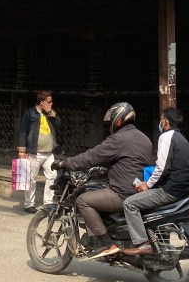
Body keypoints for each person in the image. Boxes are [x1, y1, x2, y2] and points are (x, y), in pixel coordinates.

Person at [58, 102, 152, 259]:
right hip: (138, 190)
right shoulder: (144, 138)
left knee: (83, 201)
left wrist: (65, 163)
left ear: (118, 119)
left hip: (123, 192)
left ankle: (107, 244)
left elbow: (92, 156)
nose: (110, 128)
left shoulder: (119, 139)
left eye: (111, 123)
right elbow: (129, 161)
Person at [122, 107, 189, 255]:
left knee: (129, 203)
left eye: (161, 118)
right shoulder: (182, 139)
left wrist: (146, 185)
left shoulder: (167, 137)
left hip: (171, 191)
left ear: (165, 121)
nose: (160, 122)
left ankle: (142, 243)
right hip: (184, 190)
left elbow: (162, 168)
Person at [17, 91, 62, 213]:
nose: (51, 103)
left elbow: (59, 124)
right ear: (42, 102)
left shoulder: (50, 114)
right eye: (49, 102)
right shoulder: (30, 113)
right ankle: (29, 204)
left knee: (52, 176)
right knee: (31, 178)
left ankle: (49, 203)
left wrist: (51, 113)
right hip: (34, 152)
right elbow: (23, 131)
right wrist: (22, 150)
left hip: (49, 153)